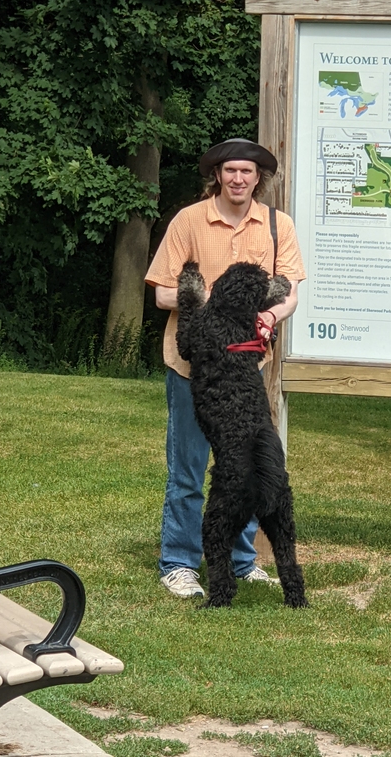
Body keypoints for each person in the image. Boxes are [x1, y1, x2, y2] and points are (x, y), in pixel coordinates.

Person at [145, 139, 306, 598]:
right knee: (188, 470)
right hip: (192, 366)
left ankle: (241, 561)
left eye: (247, 172)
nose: (238, 179)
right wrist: (222, 306)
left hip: (247, 367)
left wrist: (270, 315)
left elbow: (288, 291)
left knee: (250, 465)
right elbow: (161, 293)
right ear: (217, 175)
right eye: (230, 170)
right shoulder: (189, 221)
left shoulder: (278, 225)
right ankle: (179, 563)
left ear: (259, 179)